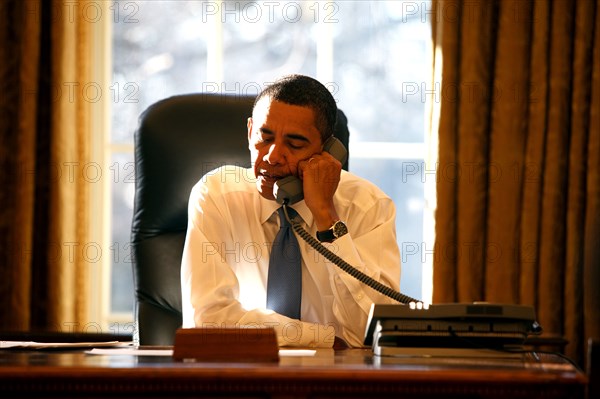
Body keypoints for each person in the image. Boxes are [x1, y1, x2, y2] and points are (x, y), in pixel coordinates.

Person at [181, 74, 401, 348]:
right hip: (240, 378)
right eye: (264, 137)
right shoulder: (216, 196)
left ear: (328, 152)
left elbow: (370, 332)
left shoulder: (368, 207)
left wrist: (325, 215)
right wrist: (322, 338)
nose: (272, 156)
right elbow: (208, 321)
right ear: (250, 132)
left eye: (294, 144)